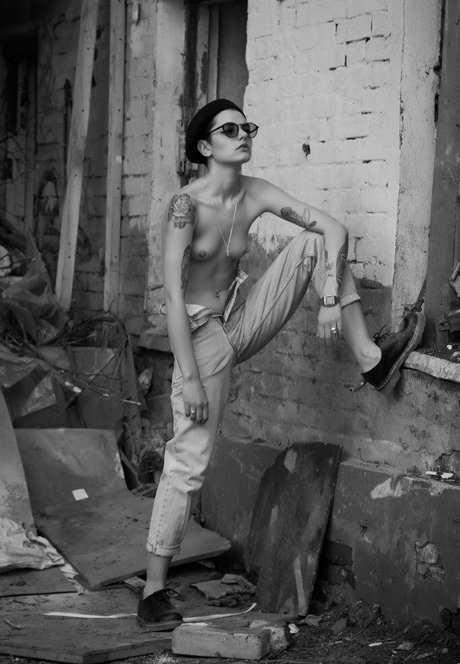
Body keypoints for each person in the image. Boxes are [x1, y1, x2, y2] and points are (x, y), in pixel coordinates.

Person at [137, 99, 425, 629]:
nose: (243, 134)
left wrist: (330, 297)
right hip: (200, 340)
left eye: (247, 126)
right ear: (205, 146)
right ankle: (153, 592)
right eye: (230, 129)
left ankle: (369, 358)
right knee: (189, 460)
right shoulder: (185, 206)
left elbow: (332, 228)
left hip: (238, 320)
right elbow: (173, 297)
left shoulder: (255, 192)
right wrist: (191, 378)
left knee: (314, 242)